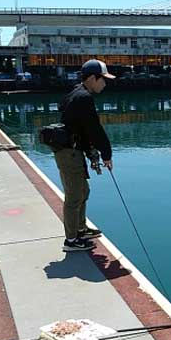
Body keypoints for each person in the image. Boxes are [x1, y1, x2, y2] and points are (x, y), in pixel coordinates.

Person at [55, 59, 115, 252]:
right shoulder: (83, 98)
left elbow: (83, 128)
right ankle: (72, 241)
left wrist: (92, 153)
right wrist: (106, 154)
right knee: (74, 196)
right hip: (69, 153)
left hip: (73, 151)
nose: (105, 84)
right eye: (103, 79)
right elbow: (94, 129)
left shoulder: (76, 92)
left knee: (83, 191)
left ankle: (80, 229)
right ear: (91, 78)